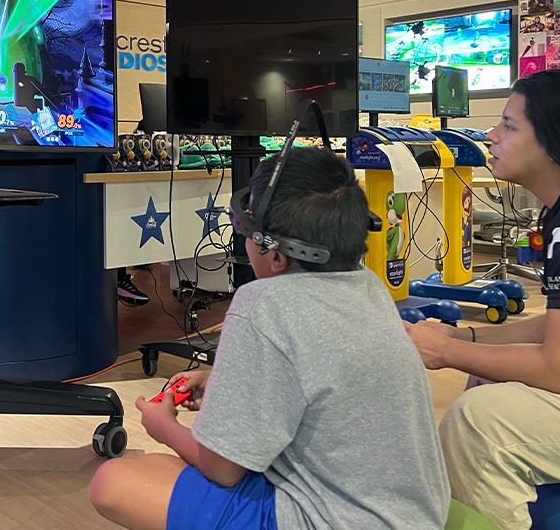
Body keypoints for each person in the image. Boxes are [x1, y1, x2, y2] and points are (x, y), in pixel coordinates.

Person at [90, 146, 450, 530]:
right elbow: (329, 376)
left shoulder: (262, 302)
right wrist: (226, 382)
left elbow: (222, 469)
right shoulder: (368, 286)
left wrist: (164, 427)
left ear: (274, 253)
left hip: (335, 519)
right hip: (415, 514)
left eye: (245, 231)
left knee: (113, 482)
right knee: (159, 470)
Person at [405, 69, 560, 530]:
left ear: (558, 141)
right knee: (486, 376)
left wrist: (445, 351)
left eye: (509, 125)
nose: (490, 134)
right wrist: (468, 336)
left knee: (482, 423)